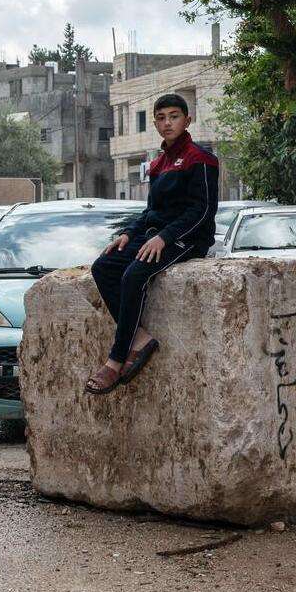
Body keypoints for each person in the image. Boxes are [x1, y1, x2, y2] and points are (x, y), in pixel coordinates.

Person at [85, 92, 219, 394]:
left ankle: (116, 361)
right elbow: (150, 212)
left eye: (174, 116)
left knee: (134, 275)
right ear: (155, 124)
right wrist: (129, 234)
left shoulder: (202, 159)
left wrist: (166, 236)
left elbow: (203, 211)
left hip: (186, 239)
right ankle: (141, 339)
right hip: (154, 236)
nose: (167, 122)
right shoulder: (158, 163)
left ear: (188, 120)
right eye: (161, 118)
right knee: (104, 266)